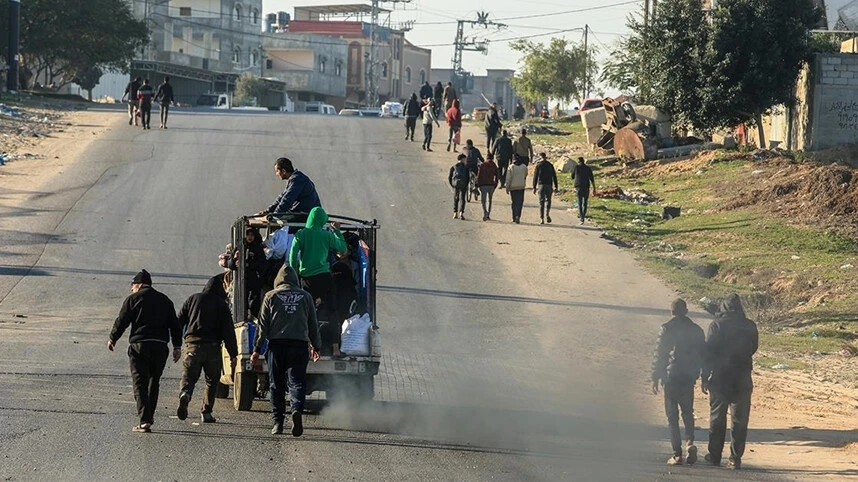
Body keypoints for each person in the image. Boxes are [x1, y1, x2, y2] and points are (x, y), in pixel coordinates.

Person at [107, 269, 181, 433]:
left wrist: (113, 338)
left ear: (138, 285)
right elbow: (175, 325)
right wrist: (177, 346)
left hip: (139, 346)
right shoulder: (165, 300)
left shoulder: (133, 299)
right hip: (161, 347)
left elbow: (122, 320)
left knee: (140, 382)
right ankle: (148, 418)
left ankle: (144, 420)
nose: (131, 289)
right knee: (153, 382)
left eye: (132, 285)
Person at [251, 265, 321, 436]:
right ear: (296, 280)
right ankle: (296, 408)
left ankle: (278, 423)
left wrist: (257, 349)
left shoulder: (270, 296)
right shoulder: (306, 297)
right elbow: (313, 323)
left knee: (276, 385)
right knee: (297, 381)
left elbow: (263, 326)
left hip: (277, 346)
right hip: (299, 346)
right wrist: (316, 346)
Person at [702, 294, 759, 470]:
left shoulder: (717, 325)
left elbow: (708, 353)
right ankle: (735, 458)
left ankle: (714, 455)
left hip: (720, 377)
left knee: (717, 418)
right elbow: (754, 348)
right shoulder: (750, 325)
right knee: (740, 420)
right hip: (742, 377)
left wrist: (704, 376)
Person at [176, 273, 239, 424]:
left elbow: (178, 321)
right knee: (211, 380)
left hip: (193, 345)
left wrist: (177, 344)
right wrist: (233, 354)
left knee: (189, 377)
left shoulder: (192, 299)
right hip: (213, 348)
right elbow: (228, 331)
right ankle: (206, 412)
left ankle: (185, 393)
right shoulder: (221, 304)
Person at [651, 299, 706, 466]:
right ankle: (690, 442)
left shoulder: (667, 328)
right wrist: (701, 375)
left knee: (672, 416)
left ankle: (677, 454)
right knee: (688, 412)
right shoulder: (697, 330)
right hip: (688, 377)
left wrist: (655, 376)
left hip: (671, 377)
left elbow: (660, 354)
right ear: (687, 311)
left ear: (672, 312)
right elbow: (703, 355)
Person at [288, 206, 347, 355]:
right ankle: (335, 347)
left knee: (306, 312)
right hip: (325, 277)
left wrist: (294, 273)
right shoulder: (326, 235)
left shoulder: (301, 234)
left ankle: (308, 346)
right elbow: (342, 249)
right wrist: (337, 231)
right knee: (332, 311)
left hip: (307, 279)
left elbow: (292, 255)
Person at [257, 158, 321, 217]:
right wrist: (268, 211)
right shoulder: (294, 179)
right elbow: (281, 198)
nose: (276, 174)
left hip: (307, 216)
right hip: (301, 214)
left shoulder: (297, 180)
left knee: (280, 226)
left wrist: (275, 215)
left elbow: (287, 200)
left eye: (277, 171)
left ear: (283, 171)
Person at [571, 157, 597, 225]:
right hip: (586, 187)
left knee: (580, 202)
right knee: (585, 202)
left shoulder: (576, 167)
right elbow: (592, 179)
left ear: (578, 162)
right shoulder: (588, 168)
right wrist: (594, 188)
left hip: (578, 187)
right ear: (584, 161)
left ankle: (581, 217)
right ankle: (583, 215)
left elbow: (572, 176)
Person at [476, 153, 499, 221]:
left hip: (483, 185)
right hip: (491, 185)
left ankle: (485, 212)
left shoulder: (483, 165)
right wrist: (495, 184)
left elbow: (479, 175)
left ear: (486, 157)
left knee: (483, 201)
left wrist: (478, 184)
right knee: (490, 200)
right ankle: (488, 214)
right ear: (492, 158)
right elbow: (497, 176)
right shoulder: (494, 165)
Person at [505, 155, 528, 224]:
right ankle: (518, 215)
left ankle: (514, 217)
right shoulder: (524, 167)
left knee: (514, 202)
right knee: (520, 202)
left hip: (513, 187)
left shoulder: (511, 167)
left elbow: (508, 178)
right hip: (521, 187)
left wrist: (507, 187)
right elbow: (525, 175)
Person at [448, 153, 470, 220]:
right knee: (462, 199)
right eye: (465, 159)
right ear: (462, 159)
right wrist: (466, 184)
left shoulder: (454, 167)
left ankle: (455, 213)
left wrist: (452, 184)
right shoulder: (466, 168)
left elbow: (449, 177)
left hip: (456, 185)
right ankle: (461, 213)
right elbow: (468, 178)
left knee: (456, 199)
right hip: (463, 185)